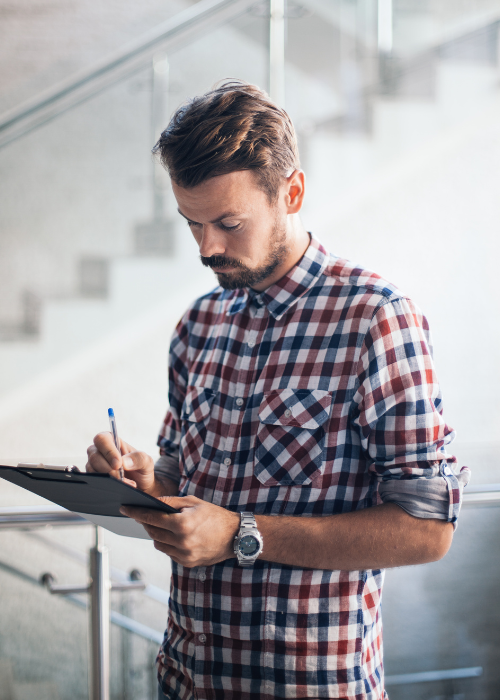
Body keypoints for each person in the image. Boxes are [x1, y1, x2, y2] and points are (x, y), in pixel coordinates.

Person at [86, 81, 470, 700]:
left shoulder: (376, 318)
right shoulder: (198, 324)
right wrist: (141, 479)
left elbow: (429, 529)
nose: (207, 247)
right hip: (185, 680)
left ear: (290, 192)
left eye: (228, 223)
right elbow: (183, 484)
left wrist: (243, 532)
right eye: (192, 224)